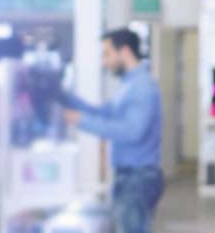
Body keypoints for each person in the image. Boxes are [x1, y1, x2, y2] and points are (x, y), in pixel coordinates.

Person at [60, 28, 164, 233]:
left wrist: (79, 119)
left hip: (138, 178)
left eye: (107, 54)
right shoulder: (129, 84)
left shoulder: (142, 86)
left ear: (124, 52)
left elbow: (132, 132)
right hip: (129, 177)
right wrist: (67, 98)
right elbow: (105, 113)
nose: (104, 61)